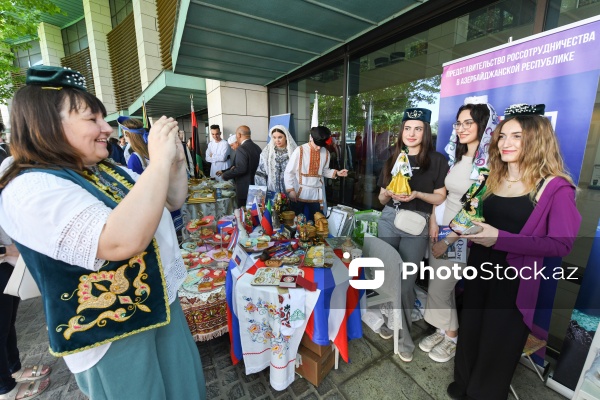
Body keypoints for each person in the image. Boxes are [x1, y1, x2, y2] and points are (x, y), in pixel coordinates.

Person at [0, 65, 206, 399]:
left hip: (160, 305)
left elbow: (171, 198)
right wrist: (157, 161)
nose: (107, 129)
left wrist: (175, 162)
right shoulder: (29, 187)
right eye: (92, 119)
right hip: (109, 335)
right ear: (46, 124)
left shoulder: (105, 171)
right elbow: (120, 241)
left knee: (186, 390)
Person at [448, 104, 581, 400]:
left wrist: (500, 238)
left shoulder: (556, 188)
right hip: (479, 270)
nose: (505, 143)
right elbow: (480, 218)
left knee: (497, 343)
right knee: (470, 332)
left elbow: (561, 244)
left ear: (537, 140)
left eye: (517, 136)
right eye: (502, 136)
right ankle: (463, 386)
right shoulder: (492, 177)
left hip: (514, 282)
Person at [421, 99, 499, 364]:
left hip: (462, 236)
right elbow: (441, 195)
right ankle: (444, 331)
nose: (462, 128)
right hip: (442, 229)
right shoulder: (457, 156)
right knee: (440, 287)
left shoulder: (487, 163)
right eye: (459, 123)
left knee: (441, 289)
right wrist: (433, 221)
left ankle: (452, 337)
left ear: (483, 125)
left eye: (469, 123)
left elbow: (472, 207)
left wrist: (449, 239)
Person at [376, 108, 448, 363]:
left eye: (418, 128)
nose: (412, 133)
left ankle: (404, 337)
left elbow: (440, 196)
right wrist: (389, 194)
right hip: (388, 220)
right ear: (402, 131)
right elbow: (381, 197)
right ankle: (388, 321)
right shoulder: (393, 156)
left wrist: (417, 195)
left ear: (425, 132)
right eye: (407, 128)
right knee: (386, 277)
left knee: (406, 283)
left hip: (416, 224)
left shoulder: (437, 160)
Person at [0, 225, 51, 400]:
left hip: (7, 261)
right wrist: (5, 249)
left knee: (7, 322)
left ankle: (14, 369)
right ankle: (5, 389)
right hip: (5, 255)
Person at [284, 126, 348, 222]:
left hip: (316, 195)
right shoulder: (300, 150)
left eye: (321, 146)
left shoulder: (326, 153)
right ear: (311, 138)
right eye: (317, 144)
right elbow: (289, 172)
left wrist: (337, 173)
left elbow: (324, 171)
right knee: (295, 222)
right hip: (299, 193)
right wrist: (291, 190)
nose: (318, 148)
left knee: (317, 222)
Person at [221, 125, 261, 207]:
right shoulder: (257, 148)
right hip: (257, 186)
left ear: (239, 135)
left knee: (245, 215)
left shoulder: (241, 148)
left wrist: (225, 175)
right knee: (256, 213)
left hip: (244, 188)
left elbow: (242, 168)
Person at [255, 125, 297, 198]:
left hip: (290, 191)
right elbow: (260, 173)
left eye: (280, 137)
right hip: (272, 190)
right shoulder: (267, 152)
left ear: (286, 137)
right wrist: (261, 192)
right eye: (274, 137)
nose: (277, 140)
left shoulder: (294, 152)